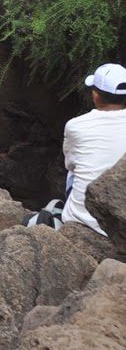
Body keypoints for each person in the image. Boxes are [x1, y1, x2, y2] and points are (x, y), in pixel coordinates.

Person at [61, 62, 126, 233]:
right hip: (121, 216)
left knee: (72, 172)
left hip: (85, 219)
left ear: (95, 96)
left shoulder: (76, 126)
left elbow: (70, 165)